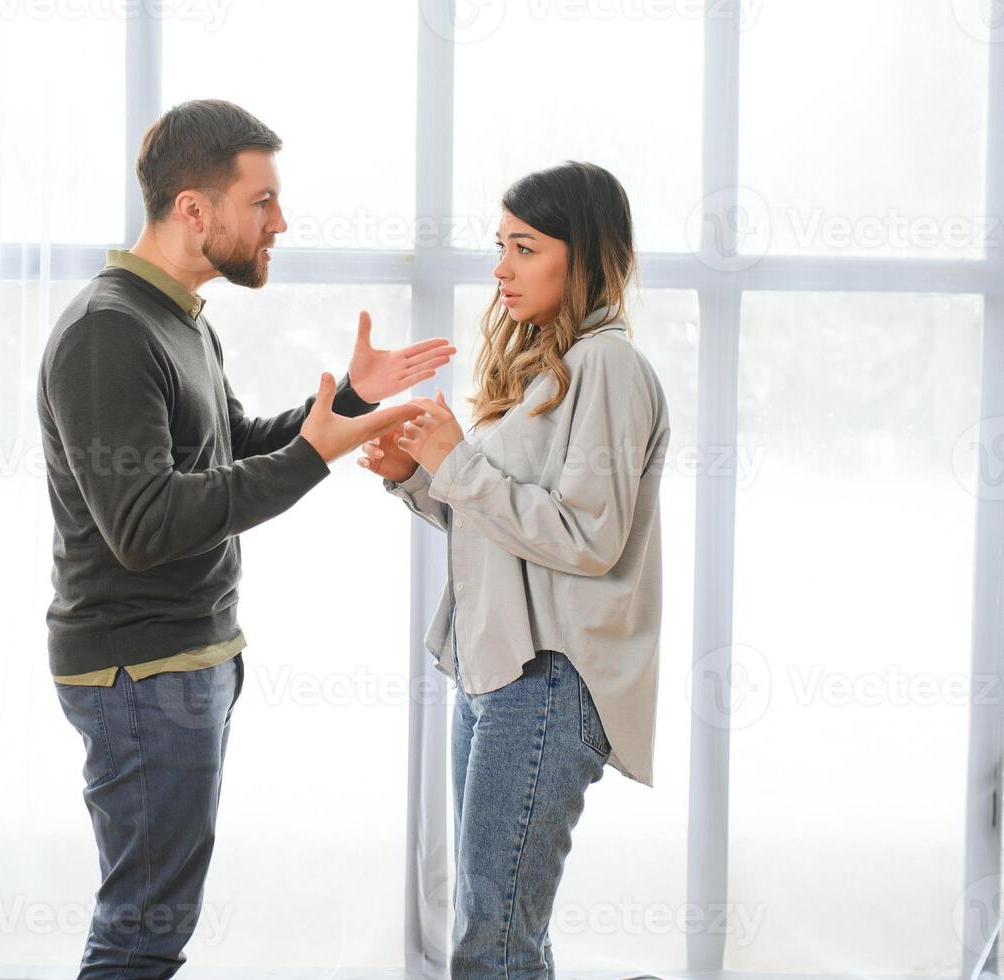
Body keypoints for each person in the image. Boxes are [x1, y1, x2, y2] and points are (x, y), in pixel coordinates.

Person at [36, 98, 456, 978]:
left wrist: (342, 405)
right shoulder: (109, 332)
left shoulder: (177, 316)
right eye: (261, 201)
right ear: (195, 209)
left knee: (152, 923)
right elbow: (143, 525)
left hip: (180, 664)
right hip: (139, 672)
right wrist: (312, 453)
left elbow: (224, 450)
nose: (280, 222)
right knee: (142, 933)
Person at [359, 161, 670, 979]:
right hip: (495, 674)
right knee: (501, 935)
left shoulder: (607, 366)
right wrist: (414, 475)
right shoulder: (543, 369)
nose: (501, 267)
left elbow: (587, 537)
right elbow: (494, 526)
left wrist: (454, 462)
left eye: (524, 247)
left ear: (585, 255)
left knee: (491, 947)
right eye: (500, 246)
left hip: (549, 679)